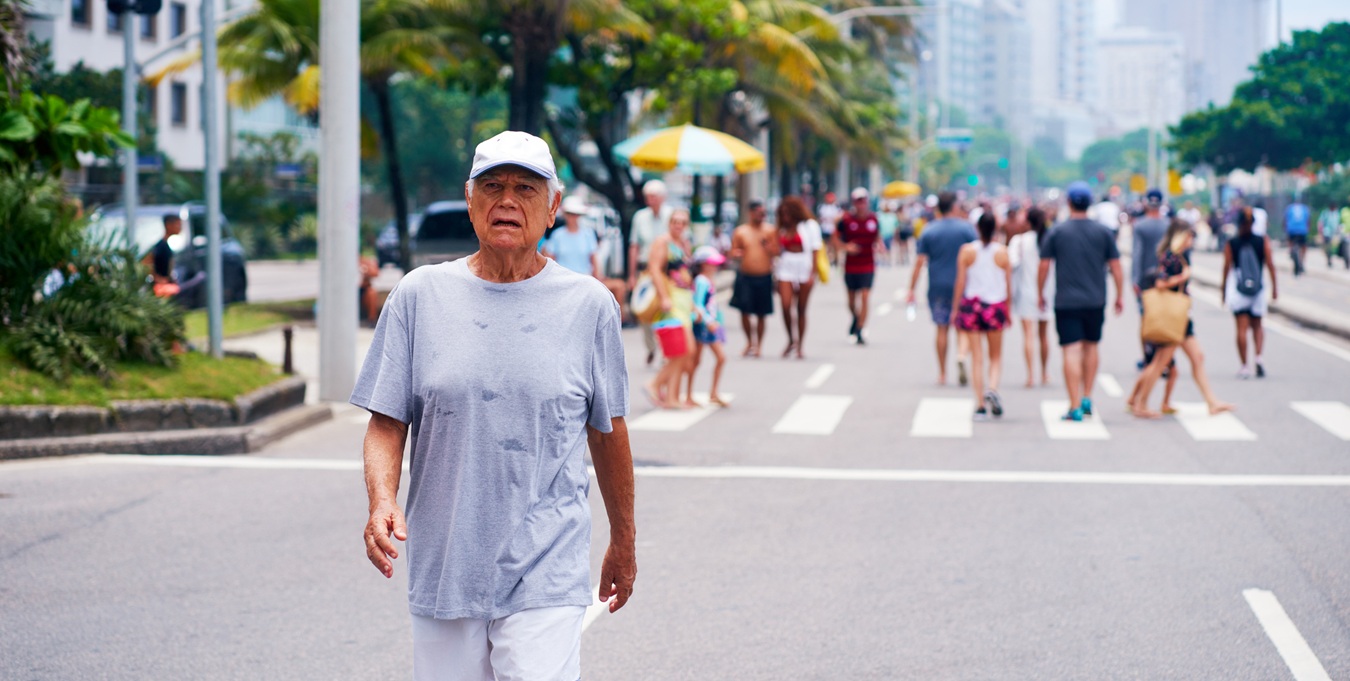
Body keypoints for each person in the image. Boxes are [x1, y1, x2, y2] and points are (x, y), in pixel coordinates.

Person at [352, 130, 635, 681]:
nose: (507, 200)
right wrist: (381, 500)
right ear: (470, 200)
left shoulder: (589, 306)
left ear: (552, 207)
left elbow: (608, 432)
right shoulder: (418, 296)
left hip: (548, 561)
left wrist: (623, 541)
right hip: (445, 564)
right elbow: (386, 422)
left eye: (526, 189)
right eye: (493, 186)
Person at [1037, 181, 1125, 422]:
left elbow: (1044, 266)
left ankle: (1074, 405)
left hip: (1066, 301)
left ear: (1068, 203)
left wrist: (1040, 293)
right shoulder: (1103, 232)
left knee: (1071, 350)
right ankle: (1087, 396)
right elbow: (1116, 266)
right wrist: (1120, 295)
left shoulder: (1057, 231)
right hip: (1096, 300)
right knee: (1092, 346)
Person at [1130, 220, 1234, 417]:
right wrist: (1183, 277)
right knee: (1160, 362)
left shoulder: (1177, 256)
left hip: (1180, 318)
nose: (1192, 240)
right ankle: (1140, 404)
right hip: (1173, 317)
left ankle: (1211, 402)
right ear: (1181, 235)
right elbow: (1161, 283)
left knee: (1197, 357)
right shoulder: (1172, 257)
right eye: (1189, 236)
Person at [908, 191, 978, 384]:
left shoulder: (929, 230)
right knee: (964, 328)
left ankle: (942, 373)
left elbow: (919, 262)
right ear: (954, 206)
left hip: (938, 286)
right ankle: (962, 355)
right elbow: (976, 257)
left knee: (941, 328)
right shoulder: (967, 230)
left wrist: (911, 289)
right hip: (964, 286)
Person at [952, 213, 1012, 420]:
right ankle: (992, 389)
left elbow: (960, 283)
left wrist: (955, 309)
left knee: (977, 358)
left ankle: (979, 405)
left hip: (972, 306)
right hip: (995, 306)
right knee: (995, 356)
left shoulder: (967, 251)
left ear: (977, 228)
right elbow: (1008, 286)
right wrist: (1009, 310)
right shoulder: (1003, 253)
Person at [1221, 207, 1279, 379]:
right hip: (1258, 288)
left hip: (1239, 290)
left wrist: (1223, 290)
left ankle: (1244, 365)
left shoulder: (1232, 243)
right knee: (1258, 325)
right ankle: (1259, 357)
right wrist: (1275, 288)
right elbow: (1270, 265)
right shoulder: (1262, 241)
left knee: (1241, 327)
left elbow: (1226, 267)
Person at [648, 208, 697, 408]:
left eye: (683, 222)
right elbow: (655, 269)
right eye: (675, 221)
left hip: (685, 300)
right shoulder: (663, 242)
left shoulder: (684, 244)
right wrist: (664, 296)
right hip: (673, 299)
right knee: (685, 349)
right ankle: (655, 384)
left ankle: (671, 397)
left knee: (681, 352)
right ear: (669, 223)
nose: (679, 225)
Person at [1008, 206, 1053, 387]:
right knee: (1043, 335)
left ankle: (1030, 376)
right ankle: (1044, 373)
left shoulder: (1019, 241)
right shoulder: (1049, 239)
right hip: (1047, 292)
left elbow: (1011, 264)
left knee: (1028, 335)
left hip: (1026, 292)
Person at [774, 196, 823, 358]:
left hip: (804, 265)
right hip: (786, 266)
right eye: (783, 214)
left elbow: (816, 250)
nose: (785, 217)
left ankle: (800, 345)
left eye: (788, 213)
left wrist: (812, 274)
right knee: (786, 305)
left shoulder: (810, 226)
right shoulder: (782, 228)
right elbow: (777, 249)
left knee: (801, 308)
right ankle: (790, 339)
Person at [630, 180, 674, 365]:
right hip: (646, 270)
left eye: (653, 196)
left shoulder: (671, 215)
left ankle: (666, 350)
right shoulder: (640, 217)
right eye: (648, 196)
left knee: (665, 310)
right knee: (644, 311)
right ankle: (651, 347)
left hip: (666, 271)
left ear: (662, 197)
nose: (650, 200)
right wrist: (631, 275)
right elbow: (634, 246)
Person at [728, 199, 777, 357]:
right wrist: (736, 254)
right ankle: (749, 341)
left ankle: (759, 345)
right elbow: (733, 251)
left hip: (764, 275)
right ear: (751, 213)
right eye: (759, 213)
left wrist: (769, 248)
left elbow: (777, 251)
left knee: (762, 313)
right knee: (744, 311)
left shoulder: (770, 230)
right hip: (745, 275)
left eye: (764, 213)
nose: (761, 216)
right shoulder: (741, 231)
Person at [833, 187, 881, 345]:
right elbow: (835, 241)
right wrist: (846, 247)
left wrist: (880, 246)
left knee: (865, 297)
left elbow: (877, 238)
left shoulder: (873, 219)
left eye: (863, 201)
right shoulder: (845, 220)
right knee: (851, 301)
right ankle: (855, 317)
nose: (861, 204)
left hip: (868, 264)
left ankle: (860, 329)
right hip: (850, 266)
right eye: (858, 201)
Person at [689, 246, 729, 407]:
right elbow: (698, 305)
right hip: (704, 325)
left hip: (709, 324)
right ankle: (691, 394)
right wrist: (709, 321)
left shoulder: (706, 280)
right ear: (703, 264)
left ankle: (712, 392)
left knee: (713, 358)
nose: (715, 266)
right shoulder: (701, 281)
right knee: (698, 360)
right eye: (712, 263)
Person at [542, 195, 600, 277]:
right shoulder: (557, 235)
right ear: (565, 214)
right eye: (570, 214)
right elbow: (550, 260)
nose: (573, 217)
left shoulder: (588, 234)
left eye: (575, 214)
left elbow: (594, 260)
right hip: (561, 279)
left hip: (584, 280)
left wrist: (597, 281)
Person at [1284, 195, 1310, 277]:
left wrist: (1285, 229)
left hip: (1291, 230)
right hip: (1302, 230)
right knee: (1303, 246)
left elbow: (1285, 220)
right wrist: (1307, 229)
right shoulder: (1305, 208)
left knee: (1290, 241)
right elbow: (1308, 220)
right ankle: (1301, 261)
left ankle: (1290, 250)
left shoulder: (1289, 208)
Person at [817, 191, 842, 265]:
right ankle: (827, 259)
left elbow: (838, 218)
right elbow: (820, 218)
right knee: (826, 246)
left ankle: (836, 260)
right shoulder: (822, 207)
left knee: (834, 245)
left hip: (833, 229)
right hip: (825, 228)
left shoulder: (836, 207)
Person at [1318, 202, 1343, 267]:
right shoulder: (1325, 213)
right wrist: (1320, 232)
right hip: (1327, 232)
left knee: (1334, 247)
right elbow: (1321, 222)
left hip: (1335, 233)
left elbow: (1339, 222)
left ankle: (1331, 257)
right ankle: (1329, 258)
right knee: (1328, 247)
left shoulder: (1337, 213)